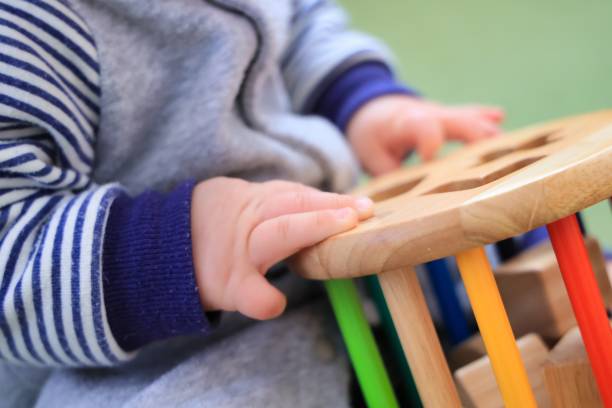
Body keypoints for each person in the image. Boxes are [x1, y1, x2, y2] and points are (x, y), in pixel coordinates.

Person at [0, 0, 503, 406]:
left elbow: (299, 24)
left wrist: (361, 98)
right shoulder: (22, 29)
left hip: (339, 254)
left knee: (497, 246)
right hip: (167, 355)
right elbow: (11, 259)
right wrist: (182, 247)